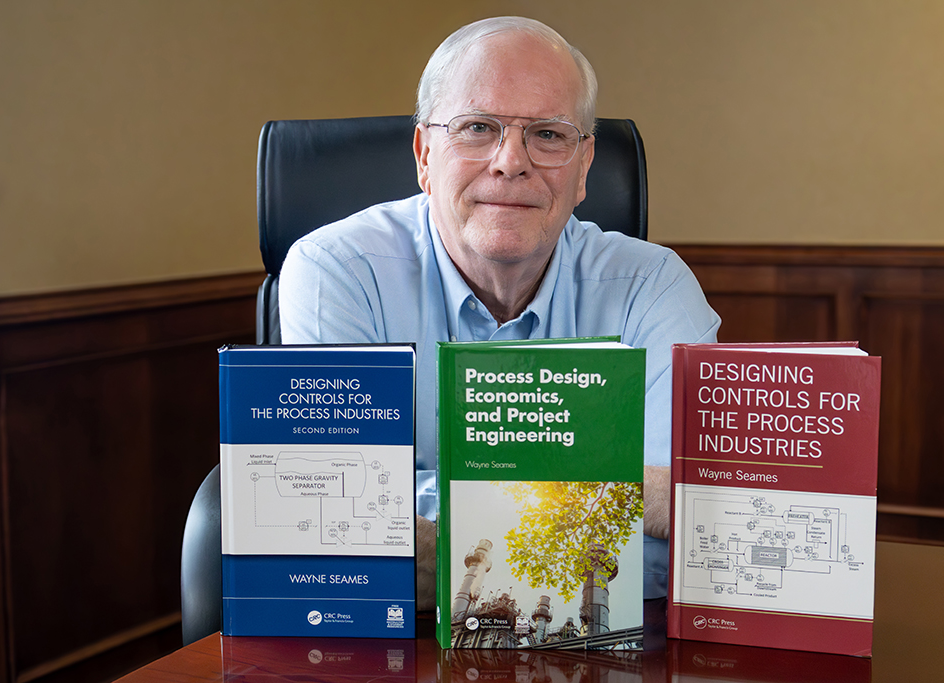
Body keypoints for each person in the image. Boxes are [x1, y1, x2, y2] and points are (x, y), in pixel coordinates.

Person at [278, 16, 720, 605]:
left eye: (548, 134)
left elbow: (700, 526)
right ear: (424, 153)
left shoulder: (654, 285)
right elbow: (333, 524)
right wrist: (617, 504)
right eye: (478, 127)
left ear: (585, 165)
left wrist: (436, 537)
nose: (511, 161)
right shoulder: (337, 272)